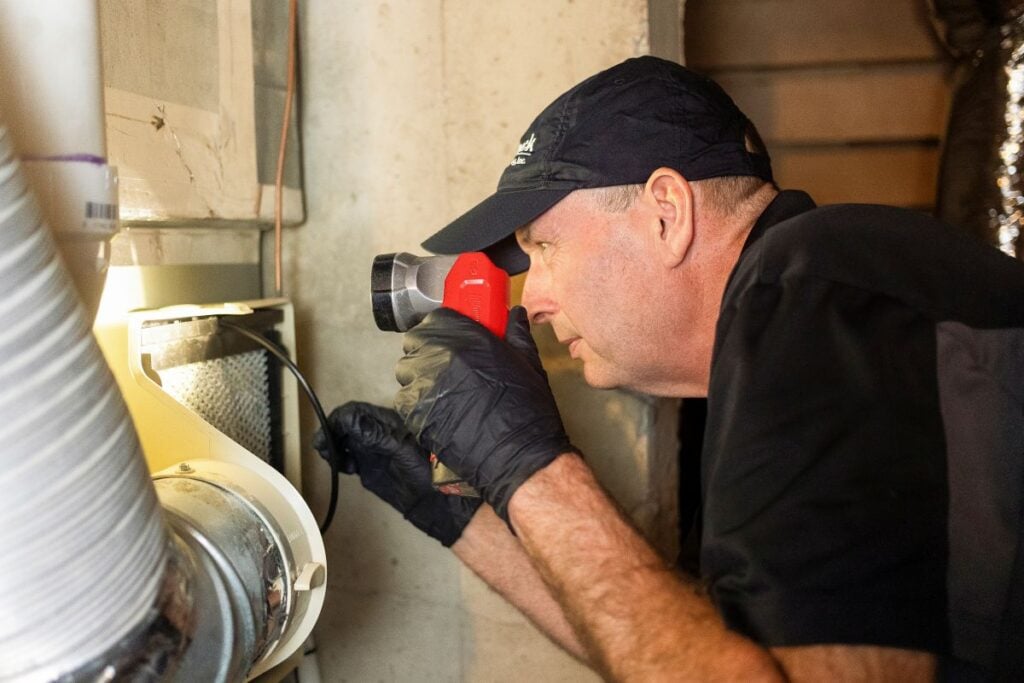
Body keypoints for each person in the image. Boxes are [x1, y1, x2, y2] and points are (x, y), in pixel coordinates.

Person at [316, 56, 1024, 681]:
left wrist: (527, 469)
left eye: (545, 247)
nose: (532, 297)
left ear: (666, 212)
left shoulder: (813, 288)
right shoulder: (798, 314)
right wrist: (466, 517)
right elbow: (681, 653)